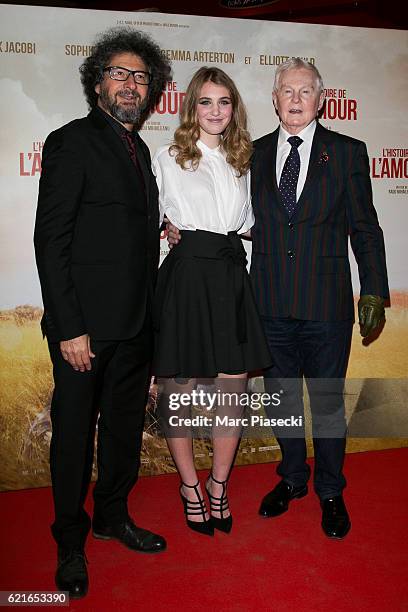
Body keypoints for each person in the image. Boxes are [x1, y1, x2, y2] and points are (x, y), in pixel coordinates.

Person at [168, 58, 389, 540]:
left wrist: (373, 287)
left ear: (320, 99)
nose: (294, 100)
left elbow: (366, 228)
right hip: (267, 302)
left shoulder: (348, 152)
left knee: (327, 403)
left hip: (327, 305)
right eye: (286, 91)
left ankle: (331, 489)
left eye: (304, 91)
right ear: (274, 98)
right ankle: (293, 479)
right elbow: (225, 212)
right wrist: (174, 225)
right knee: (283, 401)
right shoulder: (250, 153)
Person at [34, 27, 171, 598]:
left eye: (140, 76)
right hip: (83, 332)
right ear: (96, 84)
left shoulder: (140, 151)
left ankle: (113, 518)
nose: (130, 84)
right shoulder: (70, 142)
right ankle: (70, 541)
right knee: (72, 436)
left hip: (135, 327)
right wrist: (69, 328)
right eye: (118, 73)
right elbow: (52, 241)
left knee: (121, 433)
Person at [152, 67, 271, 536]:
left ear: (234, 108)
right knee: (177, 391)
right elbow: (147, 214)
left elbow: (248, 222)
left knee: (231, 391)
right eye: (206, 101)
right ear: (191, 107)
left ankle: (218, 485)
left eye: (224, 102)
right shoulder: (167, 157)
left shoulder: (244, 159)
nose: (215, 111)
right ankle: (189, 487)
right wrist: (166, 227)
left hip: (230, 275)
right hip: (184, 279)